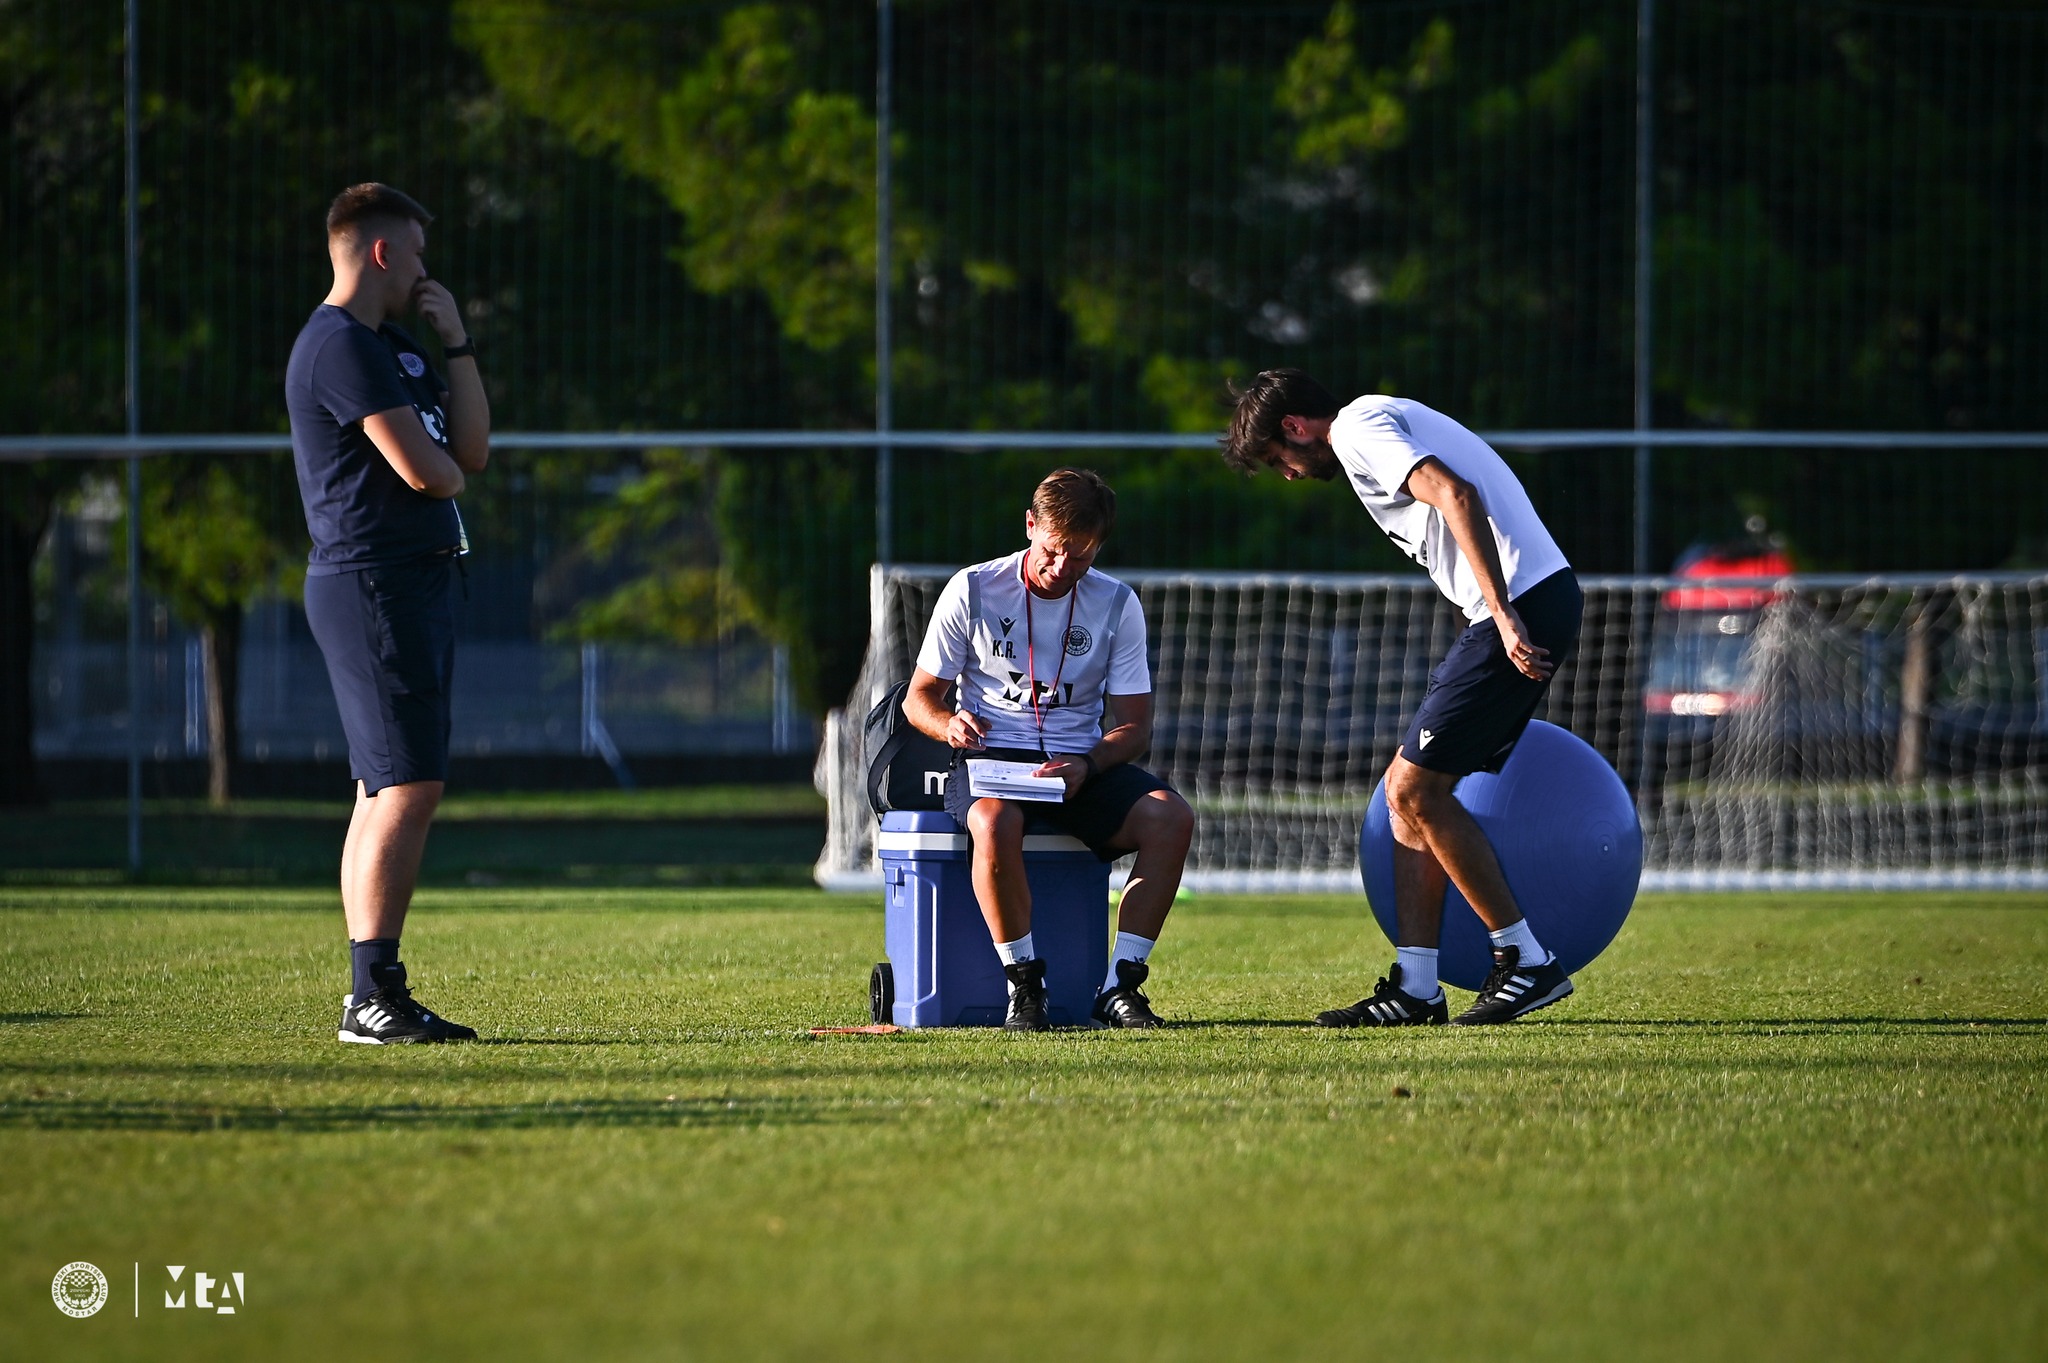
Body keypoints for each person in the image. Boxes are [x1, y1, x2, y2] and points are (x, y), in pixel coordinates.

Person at [1223, 370, 1584, 1026]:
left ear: (1297, 427)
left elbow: (1455, 493)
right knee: (1403, 791)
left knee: (1418, 792)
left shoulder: (1358, 427)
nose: (1290, 474)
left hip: (1523, 604)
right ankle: (1418, 987)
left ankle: (1525, 959)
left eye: (1281, 459)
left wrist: (1501, 618)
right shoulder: (1381, 416)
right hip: (1524, 600)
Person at [286, 183, 490, 1044]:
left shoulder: (393, 346)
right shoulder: (337, 345)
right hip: (371, 580)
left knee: (385, 785)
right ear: (379, 253)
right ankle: (372, 994)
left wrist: (457, 343)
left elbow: (470, 453)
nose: (422, 268)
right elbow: (428, 472)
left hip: (410, 580)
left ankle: (373, 991)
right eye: (413, 251)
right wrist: (443, 468)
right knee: (408, 784)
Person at [903, 468, 1196, 1031]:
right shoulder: (972, 588)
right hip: (992, 758)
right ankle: (1024, 985)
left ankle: (1120, 987)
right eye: (1055, 551)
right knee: (990, 822)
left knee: (1170, 816)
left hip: (1078, 765)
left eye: (1082, 558)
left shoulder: (1116, 604)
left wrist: (1088, 763)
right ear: (1031, 525)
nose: (1064, 570)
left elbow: (1134, 728)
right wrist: (950, 726)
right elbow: (920, 699)